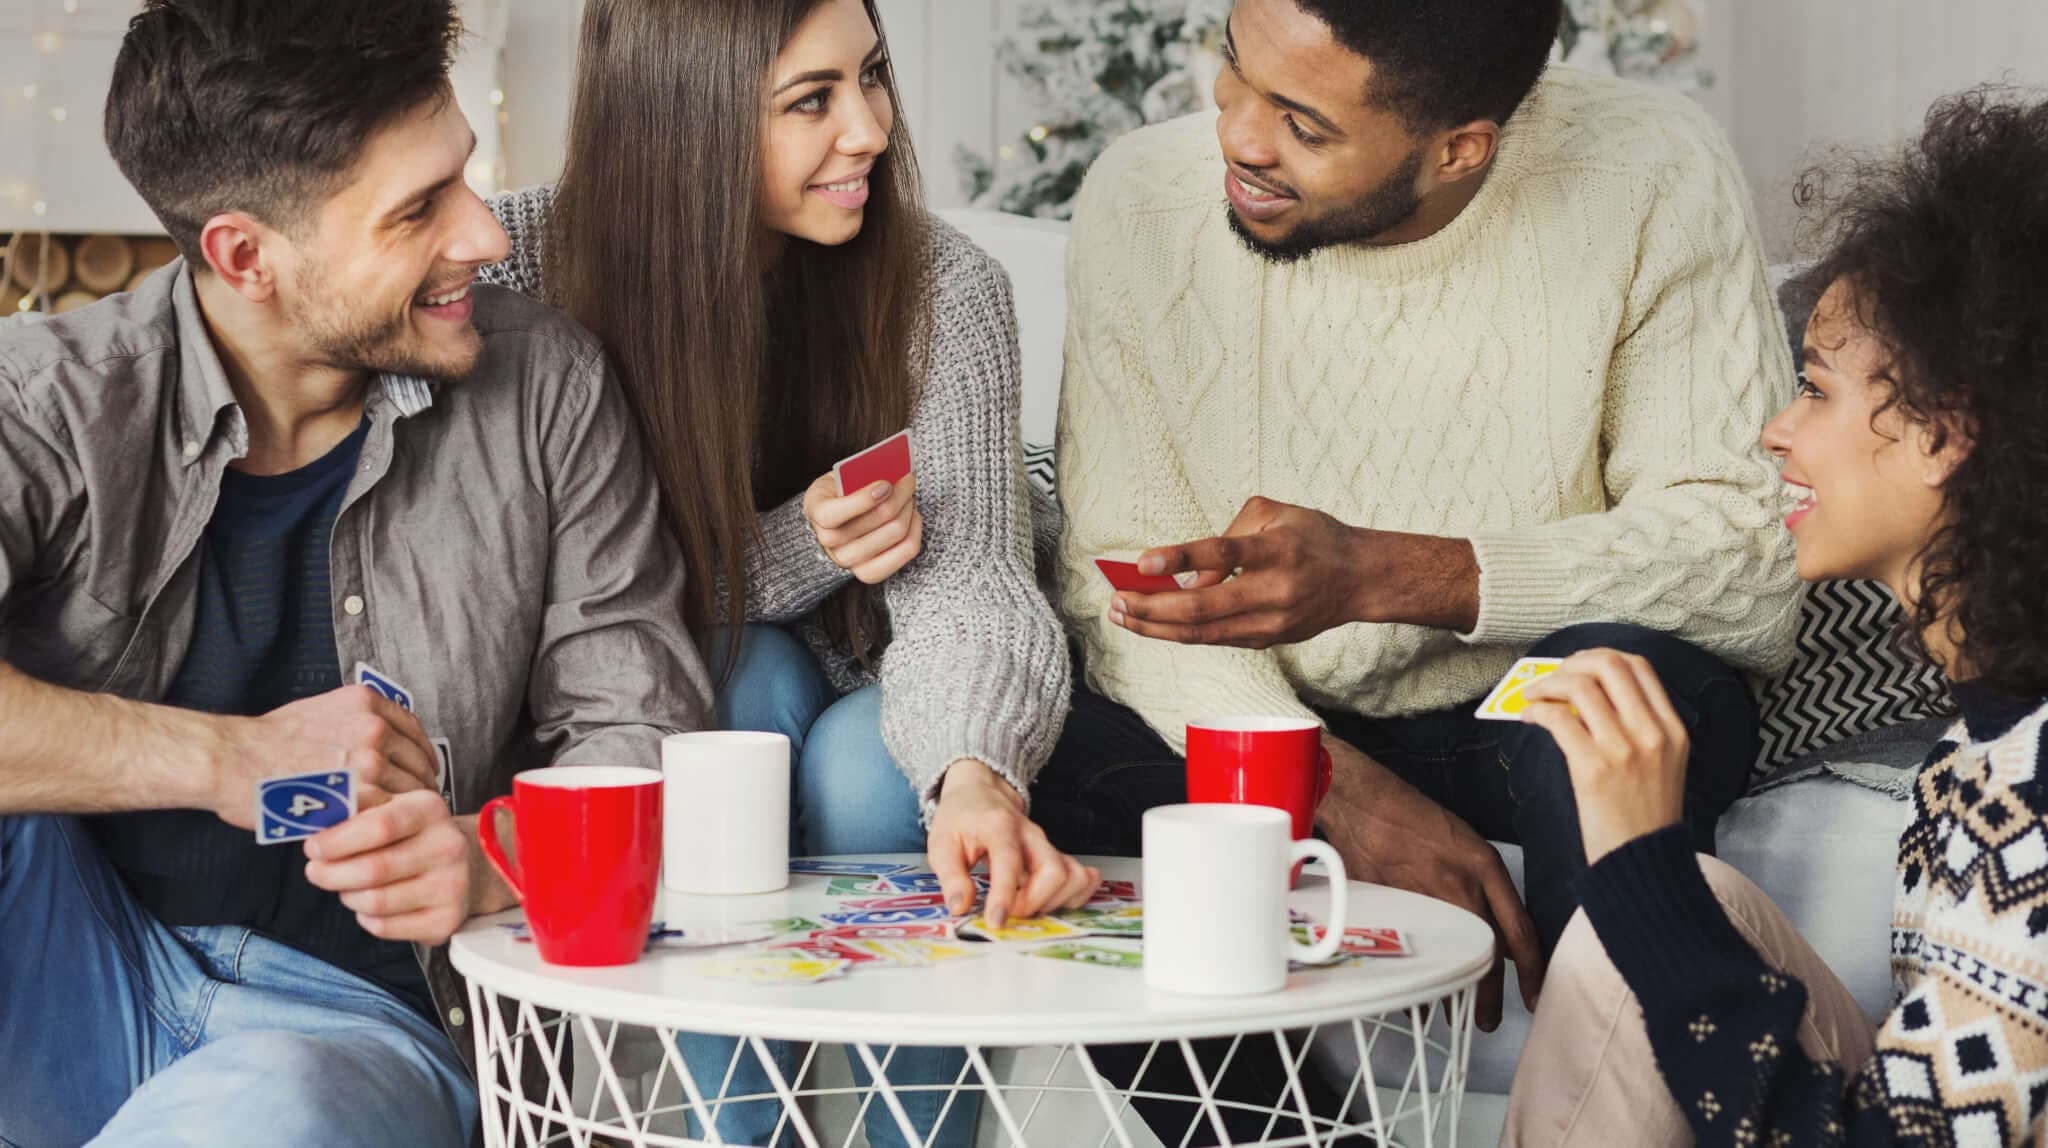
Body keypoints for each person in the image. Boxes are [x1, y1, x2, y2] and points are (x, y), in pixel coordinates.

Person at [0, 1, 710, 1144]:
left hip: (354, 1034)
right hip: (71, 969)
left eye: (463, 180)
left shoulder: (546, 390)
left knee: (275, 1108)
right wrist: (230, 760)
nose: (486, 234)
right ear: (245, 254)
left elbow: (642, 734)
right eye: (419, 210)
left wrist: (490, 856)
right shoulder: (51, 400)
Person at [1036, 0, 1803, 1029]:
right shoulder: (1139, 198)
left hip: (1512, 708)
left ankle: (1598, 1108)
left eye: (1304, 127)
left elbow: (1745, 558)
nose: (1236, 134)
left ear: (1457, 150)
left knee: (1616, 688)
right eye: (1235, 66)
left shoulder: (1650, 171)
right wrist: (1321, 782)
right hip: (1268, 716)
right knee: (1045, 734)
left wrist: (1384, 572)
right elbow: (1122, 580)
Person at [475, 2, 1094, 1143]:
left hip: (887, 683)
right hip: (684, 678)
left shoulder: (942, 285)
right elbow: (575, 604)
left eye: (870, 77)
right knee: (732, 693)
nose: (866, 128)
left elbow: (972, 582)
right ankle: (736, 1125)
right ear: (680, 116)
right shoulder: (518, 266)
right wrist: (796, 547)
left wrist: (974, 774)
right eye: (810, 101)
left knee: (873, 769)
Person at [1506, 86, 2048, 1146]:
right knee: (1687, 902)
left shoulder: (2029, 786)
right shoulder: (1974, 745)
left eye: (1813, 390)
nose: (1772, 431)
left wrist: (1633, 861)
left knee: (1651, 904)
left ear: (1944, 435)